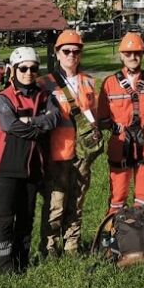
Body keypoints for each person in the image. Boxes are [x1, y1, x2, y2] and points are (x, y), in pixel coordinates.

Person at [0, 46, 60, 274]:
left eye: (33, 68)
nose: (29, 72)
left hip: (32, 169)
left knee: (26, 219)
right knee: (5, 219)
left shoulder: (44, 95)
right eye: (23, 68)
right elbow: (10, 126)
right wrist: (39, 125)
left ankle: (22, 260)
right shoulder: (4, 98)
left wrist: (30, 122)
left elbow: (55, 119)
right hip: (6, 169)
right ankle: (6, 266)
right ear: (14, 69)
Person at [38, 30, 102, 257]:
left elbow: (94, 115)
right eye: (66, 51)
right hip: (57, 152)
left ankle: (72, 245)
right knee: (56, 202)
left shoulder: (89, 81)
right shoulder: (44, 84)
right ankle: (49, 246)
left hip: (83, 152)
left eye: (76, 51)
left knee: (77, 200)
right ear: (57, 53)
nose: (71, 55)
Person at [97, 32, 144, 214]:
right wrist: (116, 127)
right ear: (121, 55)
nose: (133, 57)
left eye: (137, 53)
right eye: (128, 54)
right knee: (117, 194)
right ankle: (114, 230)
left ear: (143, 54)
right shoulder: (109, 83)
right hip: (120, 142)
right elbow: (103, 117)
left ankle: (141, 230)